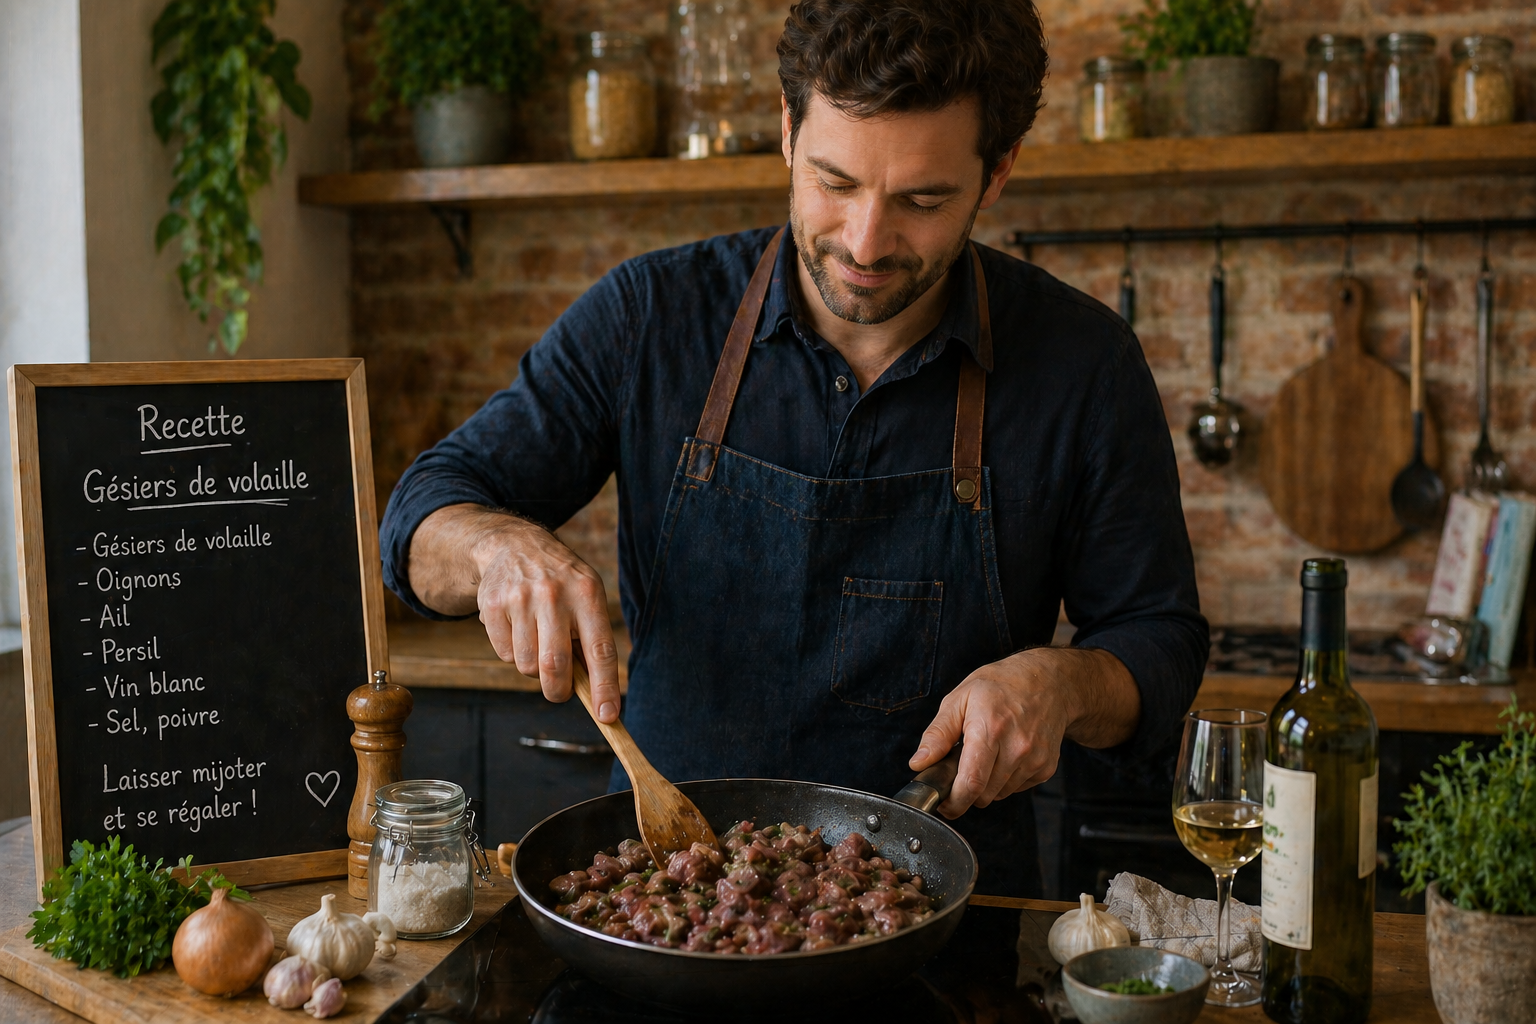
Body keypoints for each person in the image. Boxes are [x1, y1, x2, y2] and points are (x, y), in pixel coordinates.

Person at [380, 0, 1207, 895]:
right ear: (786, 131)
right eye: (835, 182)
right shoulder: (650, 317)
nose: (865, 242)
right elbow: (419, 523)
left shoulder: (1081, 364)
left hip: (946, 920)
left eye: (922, 201)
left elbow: (1159, 642)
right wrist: (495, 547)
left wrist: (1064, 681)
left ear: (997, 173)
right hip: (670, 906)